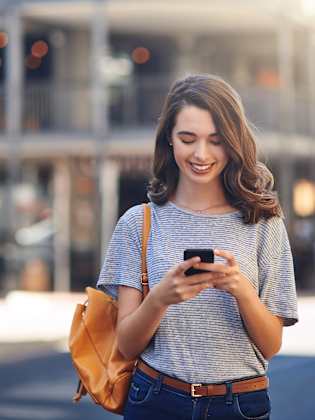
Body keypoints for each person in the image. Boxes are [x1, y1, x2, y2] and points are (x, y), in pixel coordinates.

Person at [97, 74, 298, 420]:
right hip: (155, 399)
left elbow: (271, 346)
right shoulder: (137, 222)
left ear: (233, 142)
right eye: (187, 139)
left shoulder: (264, 221)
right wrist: (161, 298)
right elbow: (126, 345)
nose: (201, 154)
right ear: (169, 141)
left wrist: (242, 291)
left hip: (239, 405)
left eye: (216, 140)